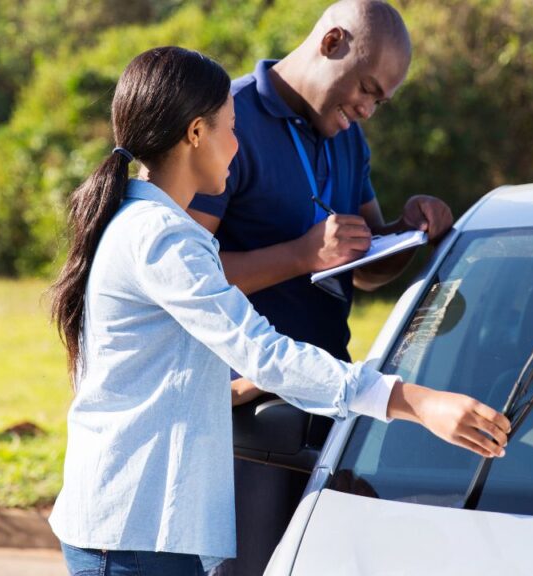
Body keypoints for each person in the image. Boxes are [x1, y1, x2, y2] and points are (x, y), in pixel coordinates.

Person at [48, 46, 509, 576]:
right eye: (230, 127)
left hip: (139, 528)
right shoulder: (164, 238)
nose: (237, 144)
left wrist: (247, 388)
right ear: (196, 134)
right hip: (134, 535)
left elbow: (162, 365)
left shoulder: (139, 219)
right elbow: (262, 352)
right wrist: (414, 401)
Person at [186, 1, 457, 574]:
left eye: (380, 101)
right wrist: (301, 255)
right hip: (244, 415)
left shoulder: (347, 137)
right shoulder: (228, 118)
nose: (367, 109)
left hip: (330, 397)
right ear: (332, 41)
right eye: (366, 88)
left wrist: (406, 233)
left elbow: (362, 266)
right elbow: (183, 280)